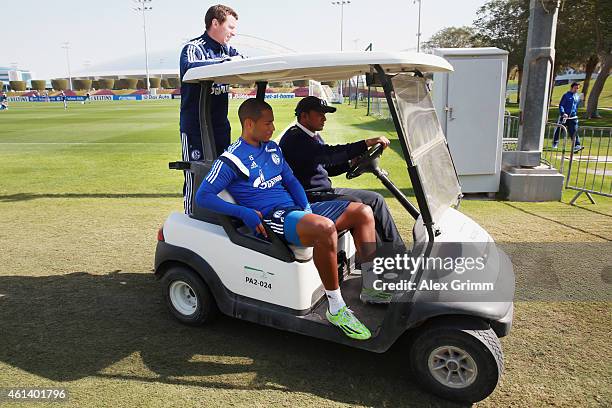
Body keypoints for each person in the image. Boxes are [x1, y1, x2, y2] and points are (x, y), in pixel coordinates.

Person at [196, 98, 376, 340]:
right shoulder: (231, 160)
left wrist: (305, 207)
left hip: (295, 210)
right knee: (325, 229)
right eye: (268, 123)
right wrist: (243, 212)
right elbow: (203, 196)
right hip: (272, 218)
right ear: (249, 124)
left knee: (362, 211)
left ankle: (373, 285)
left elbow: (290, 181)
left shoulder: (272, 148)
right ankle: (336, 307)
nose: (272, 128)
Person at [279, 96, 405, 250]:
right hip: (309, 196)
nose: (324, 118)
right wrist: (365, 144)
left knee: (376, 199)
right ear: (304, 116)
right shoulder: (296, 139)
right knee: (357, 203)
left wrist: (350, 163)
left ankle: (399, 251)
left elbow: (326, 167)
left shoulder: (312, 135)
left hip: (324, 191)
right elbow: (330, 154)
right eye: (320, 114)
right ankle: (378, 258)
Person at [179, 4, 242, 214]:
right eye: (230, 27)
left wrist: (232, 60)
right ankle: (191, 217)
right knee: (196, 175)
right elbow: (190, 68)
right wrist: (225, 63)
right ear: (215, 23)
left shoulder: (227, 49)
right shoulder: (193, 48)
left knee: (223, 174)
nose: (234, 33)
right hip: (196, 127)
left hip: (220, 126)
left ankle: (219, 217)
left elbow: (242, 60)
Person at [553, 82, 583, 153]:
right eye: (575, 88)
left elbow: (576, 106)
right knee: (559, 130)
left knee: (574, 131)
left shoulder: (577, 96)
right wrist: (563, 113)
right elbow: (561, 105)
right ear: (571, 87)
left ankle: (577, 146)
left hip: (573, 118)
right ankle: (555, 143)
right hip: (564, 117)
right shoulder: (566, 95)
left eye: (577, 88)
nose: (576, 90)